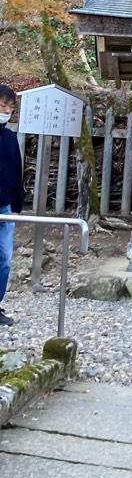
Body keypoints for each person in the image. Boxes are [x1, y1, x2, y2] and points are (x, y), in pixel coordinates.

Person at [0, 84, 23, 326]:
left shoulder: (9, 137)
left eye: (9, 107)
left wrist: (17, 201)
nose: (6, 111)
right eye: (2, 105)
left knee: (4, 259)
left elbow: (16, 171)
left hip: (4, 206)